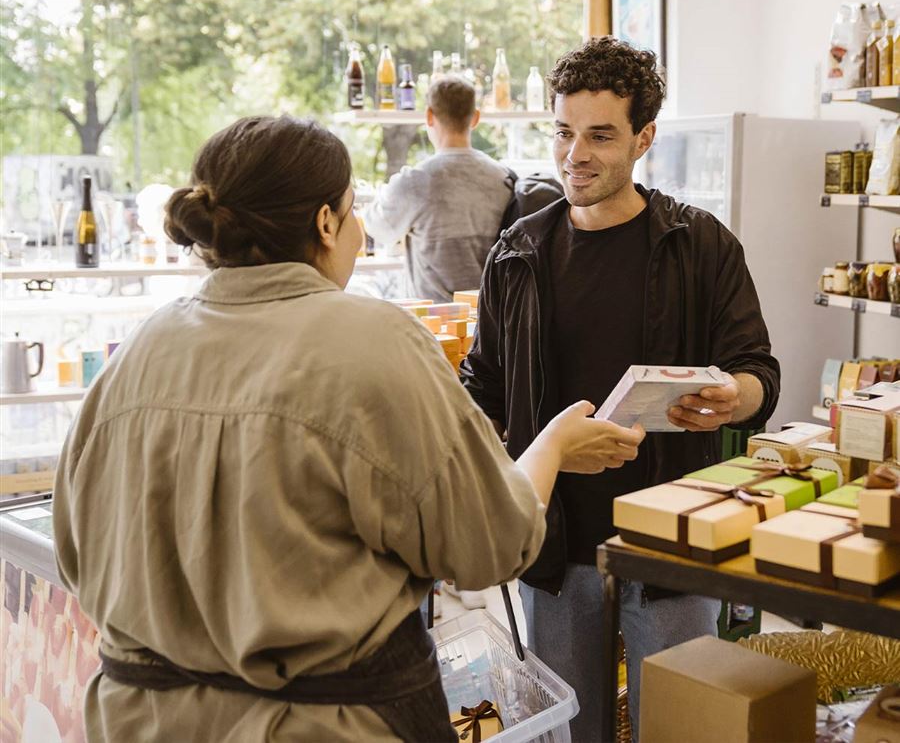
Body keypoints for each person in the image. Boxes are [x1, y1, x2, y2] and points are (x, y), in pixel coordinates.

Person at [53, 114, 646, 742]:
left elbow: (74, 552)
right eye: (353, 208)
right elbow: (490, 546)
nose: (361, 229)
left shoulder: (142, 350)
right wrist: (550, 447)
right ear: (325, 222)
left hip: (138, 722)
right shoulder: (374, 340)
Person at [460, 37, 780, 742]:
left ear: (644, 138)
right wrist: (523, 456)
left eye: (600, 135)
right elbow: (477, 390)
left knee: (679, 728)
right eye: (564, 132)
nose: (576, 154)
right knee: (570, 732)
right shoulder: (516, 254)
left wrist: (735, 395)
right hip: (554, 548)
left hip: (670, 544)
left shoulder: (701, 245)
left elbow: (759, 369)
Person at [364, 76, 511, 303]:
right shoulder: (503, 178)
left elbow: (377, 228)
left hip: (435, 323)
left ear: (429, 116)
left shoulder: (414, 182)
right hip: (490, 320)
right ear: (476, 118)